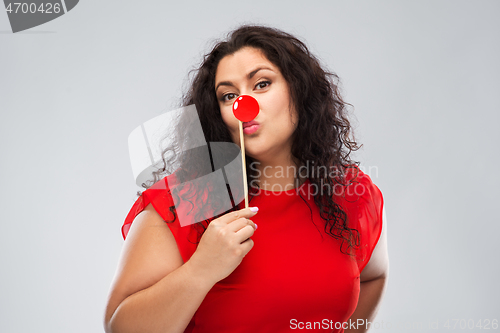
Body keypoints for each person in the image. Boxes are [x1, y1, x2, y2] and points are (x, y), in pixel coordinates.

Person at [104, 25, 389, 333]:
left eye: (262, 84)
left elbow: (374, 276)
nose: (244, 105)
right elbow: (122, 327)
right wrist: (201, 270)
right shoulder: (184, 201)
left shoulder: (349, 192)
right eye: (229, 96)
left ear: (299, 88)